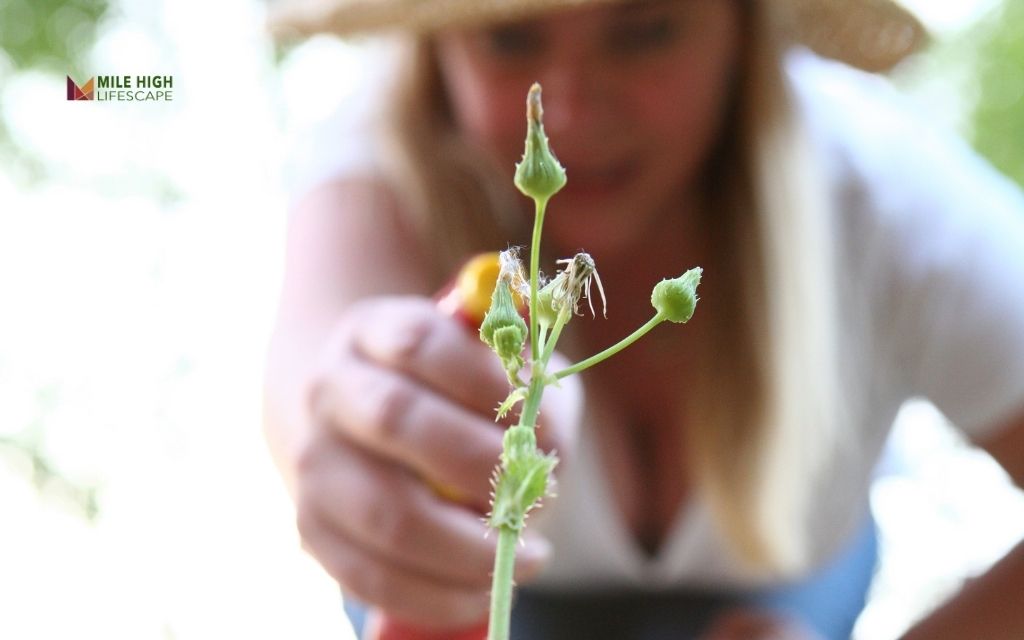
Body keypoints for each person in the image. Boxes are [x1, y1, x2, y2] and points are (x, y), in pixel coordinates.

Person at [262, 0, 1024, 638]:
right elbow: (312, 391)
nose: (571, 110)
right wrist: (352, 443)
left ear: (743, 32)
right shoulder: (371, 165)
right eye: (509, 38)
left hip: (789, 597)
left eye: (646, 30)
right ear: (439, 54)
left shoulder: (880, 190)